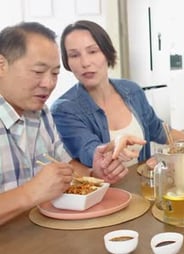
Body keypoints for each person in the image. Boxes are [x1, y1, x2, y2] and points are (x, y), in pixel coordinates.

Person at [0, 22, 131, 225]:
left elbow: (67, 166)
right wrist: (30, 193)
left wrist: (95, 174)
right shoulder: (62, 107)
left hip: (41, 235)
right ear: (2, 65)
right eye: (38, 72)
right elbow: (35, 191)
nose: (48, 84)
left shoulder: (41, 113)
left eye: (55, 74)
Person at [50, 20, 184, 168]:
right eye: (74, 55)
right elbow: (90, 152)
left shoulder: (131, 90)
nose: (85, 62)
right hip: (106, 196)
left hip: (143, 186)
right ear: (67, 63)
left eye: (93, 51)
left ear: (106, 52)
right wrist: (113, 148)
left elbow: (158, 130)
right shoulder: (64, 109)